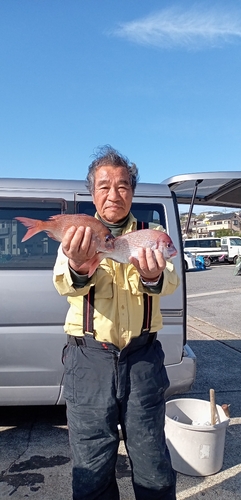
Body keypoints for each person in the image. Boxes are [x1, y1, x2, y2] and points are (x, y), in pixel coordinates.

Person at [53, 145, 179, 500]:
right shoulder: (78, 230)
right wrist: (78, 264)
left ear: (133, 192)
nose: (113, 194)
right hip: (89, 360)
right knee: (91, 466)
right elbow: (62, 283)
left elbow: (170, 281)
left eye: (123, 185)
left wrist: (153, 276)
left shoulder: (150, 234)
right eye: (104, 186)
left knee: (153, 461)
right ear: (93, 193)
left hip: (142, 359)